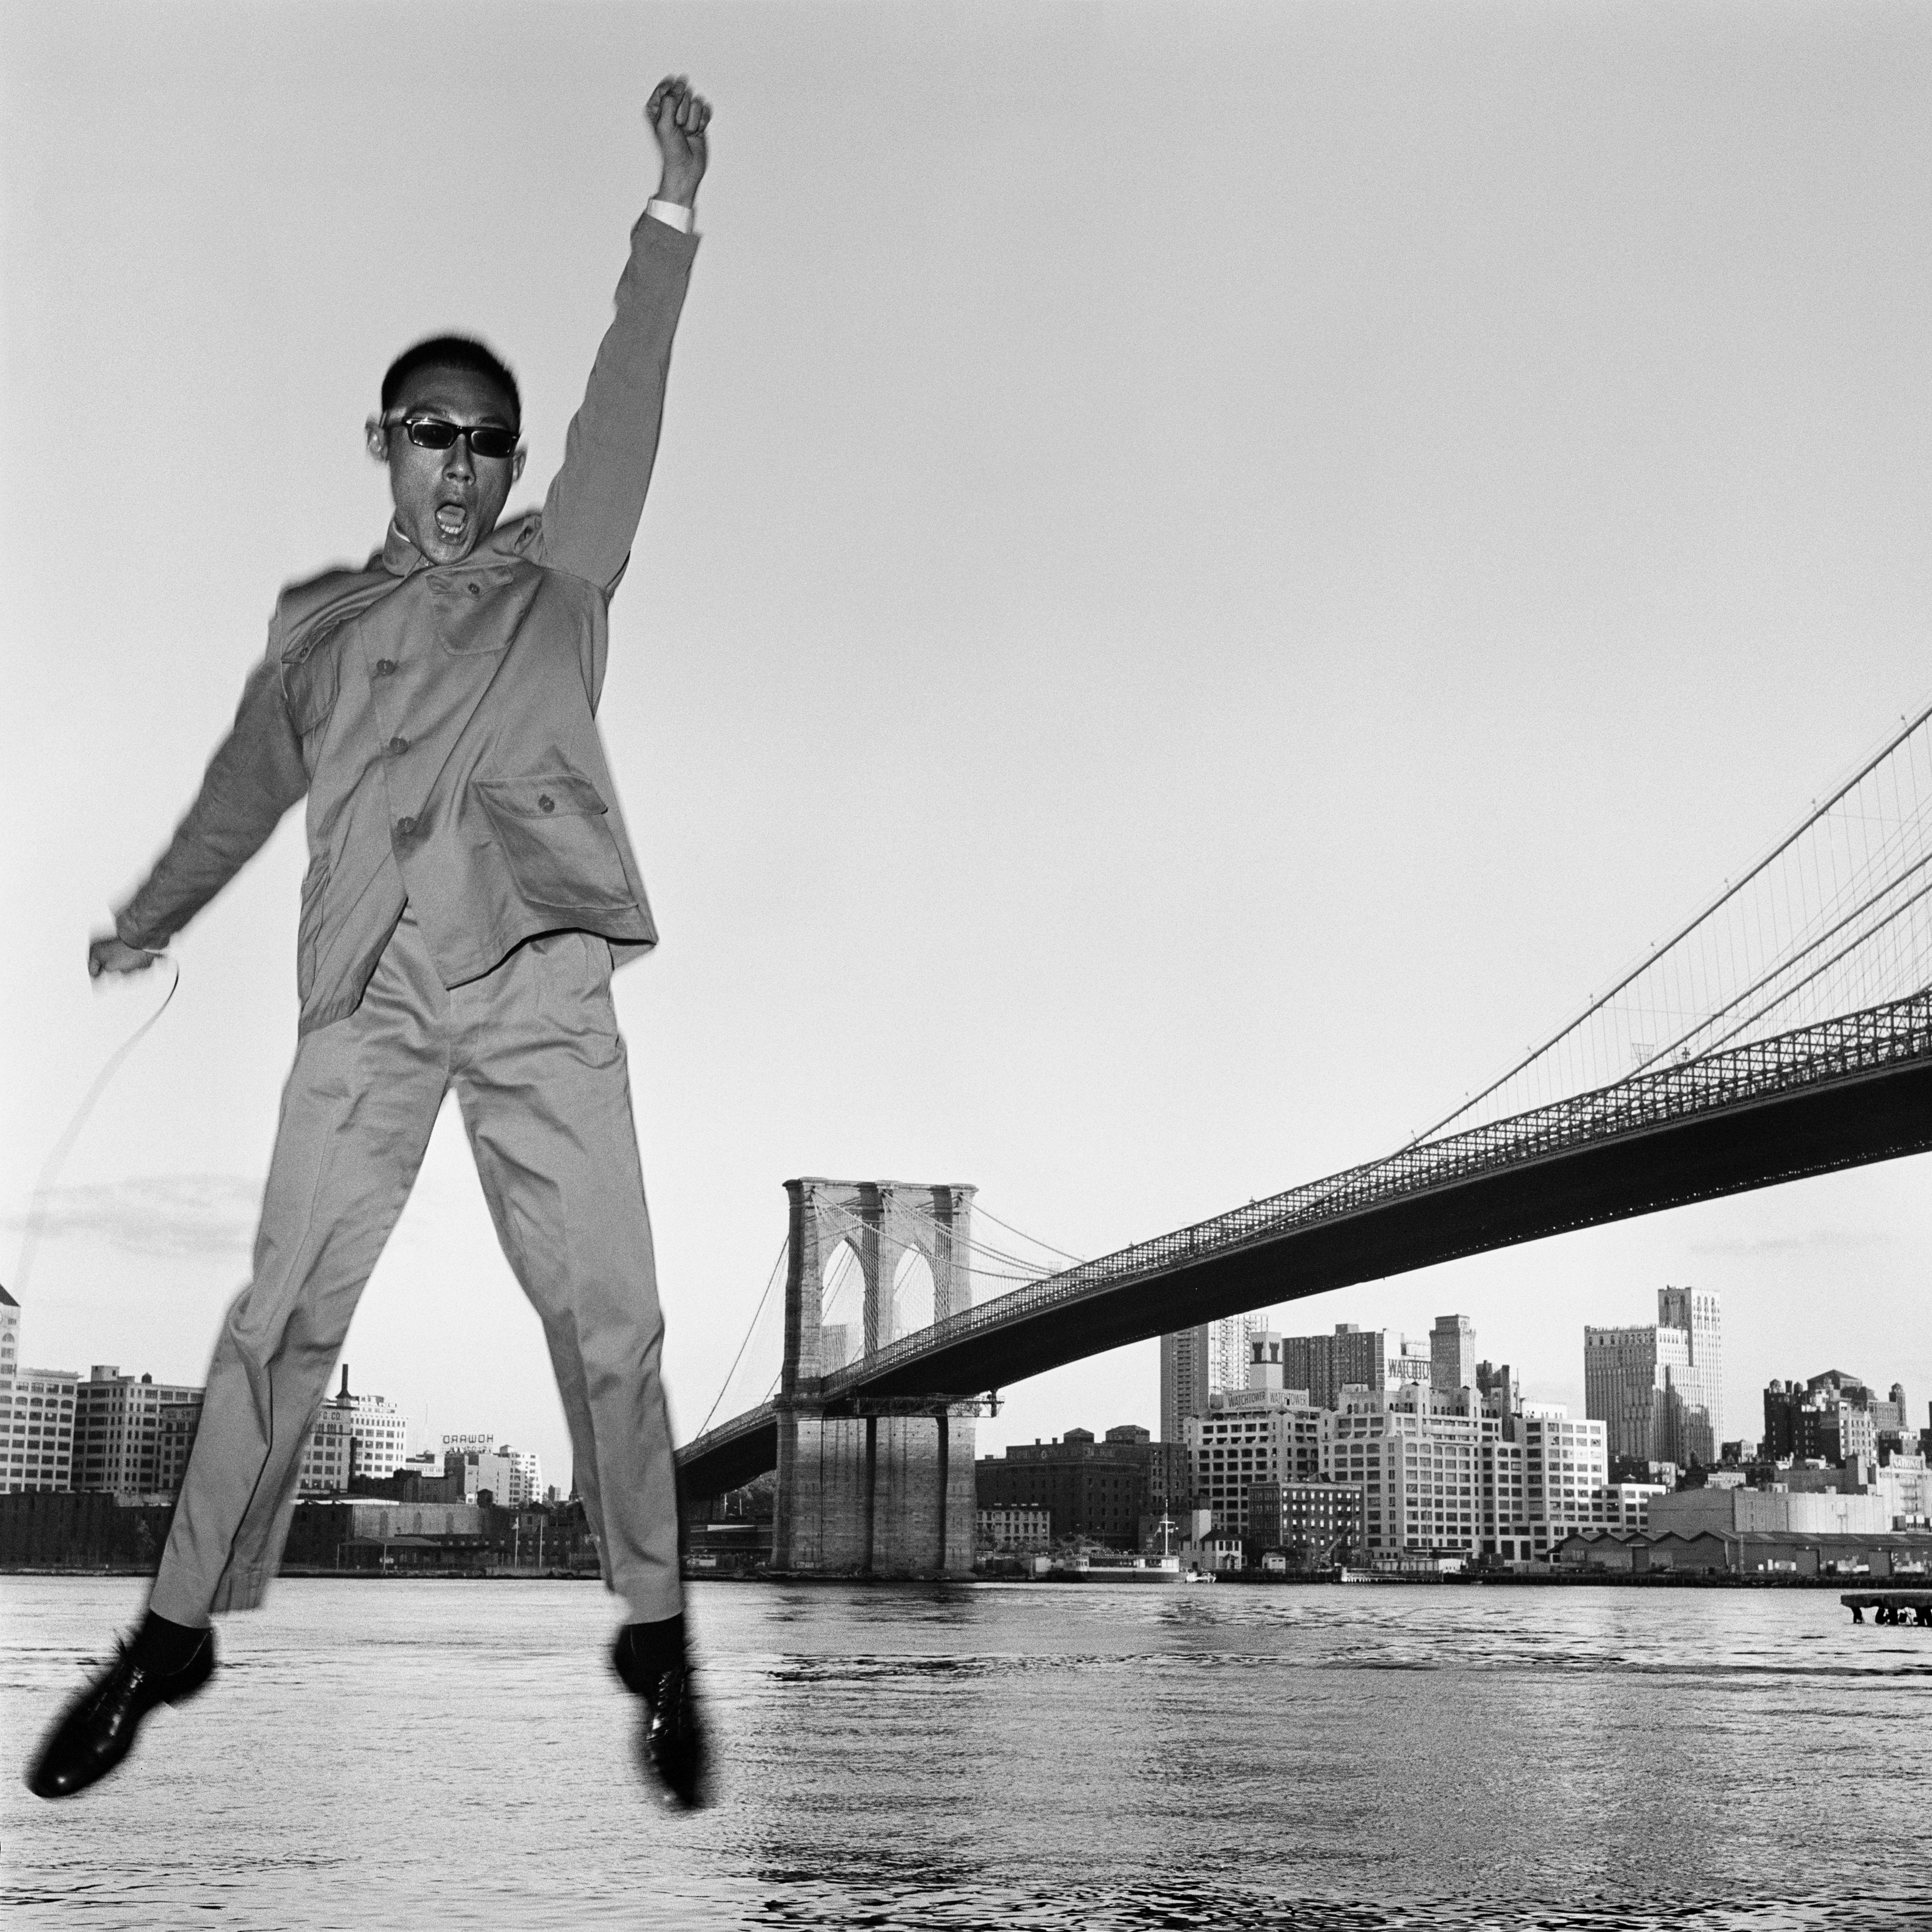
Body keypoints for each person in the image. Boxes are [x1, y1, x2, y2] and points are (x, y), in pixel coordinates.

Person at [27, 74, 715, 1811]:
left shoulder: (566, 580)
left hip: (540, 983)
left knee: (613, 1321)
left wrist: (668, 220)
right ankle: (169, 1638)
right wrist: (151, 918)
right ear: (385, 445)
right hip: (367, 1007)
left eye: (487, 440)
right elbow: (239, 790)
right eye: (436, 433)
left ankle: (656, 1643)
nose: (467, 466)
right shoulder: (315, 629)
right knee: (276, 1327)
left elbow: (617, 418)